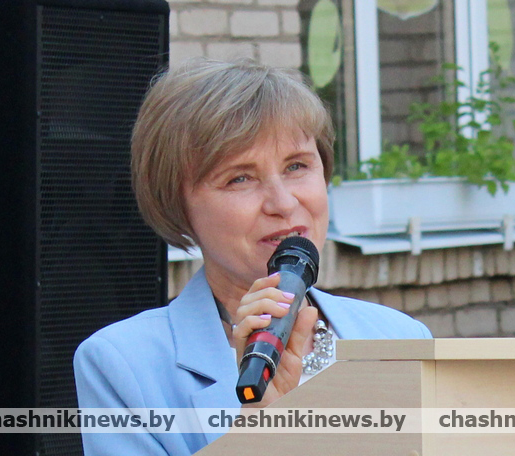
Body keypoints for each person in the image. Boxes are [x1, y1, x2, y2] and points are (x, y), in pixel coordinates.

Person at [73, 58, 432, 456]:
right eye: (240, 178)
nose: (283, 202)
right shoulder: (122, 364)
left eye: (296, 166)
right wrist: (259, 430)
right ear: (178, 205)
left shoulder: (401, 338)